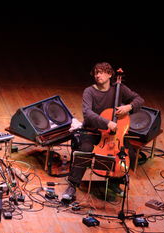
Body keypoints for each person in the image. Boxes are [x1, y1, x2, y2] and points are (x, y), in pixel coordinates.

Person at [62, 62, 144, 200]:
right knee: (85, 150)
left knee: (129, 153)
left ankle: (114, 182)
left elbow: (139, 100)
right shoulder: (89, 91)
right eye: (95, 73)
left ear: (110, 74)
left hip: (113, 135)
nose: (97, 75)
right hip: (93, 131)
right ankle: (72, 186)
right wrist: (107, 122)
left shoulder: (119, 88)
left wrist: (129, 107)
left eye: (101, 72)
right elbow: (87, 113)